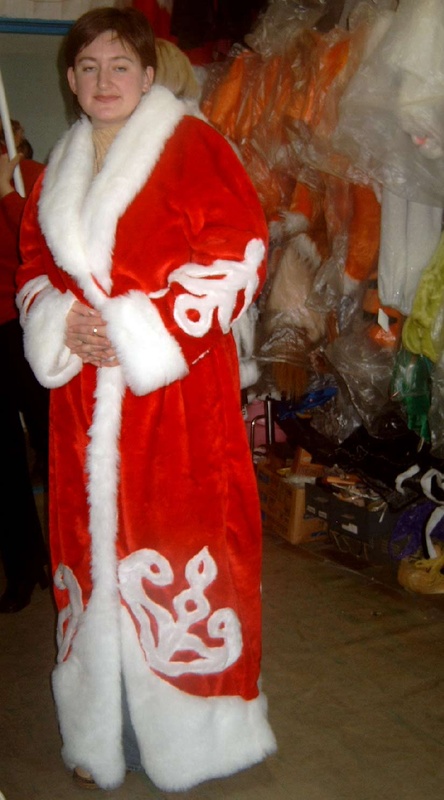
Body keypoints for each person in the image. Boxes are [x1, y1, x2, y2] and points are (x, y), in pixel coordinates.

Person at [16, 6, 276, 792]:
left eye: (120, 65)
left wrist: (140, 330)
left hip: (175, 399)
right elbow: (33, 265)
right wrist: (63, 322)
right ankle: (105, 729)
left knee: (177, 547)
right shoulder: (57, 166)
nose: (105, 81)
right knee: (90, 556)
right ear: (70, 78)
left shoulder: (194, 145)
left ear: (148, 73)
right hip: (81, 402)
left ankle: (196, 736)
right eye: (89, 67)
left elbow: (241, 249)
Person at [0, 121, 49, 613]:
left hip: (27, 325)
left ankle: (73, 559)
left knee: (58, 450)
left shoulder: (29, 174)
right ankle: (23, 566)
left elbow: (48, 253)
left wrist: (7, 196)